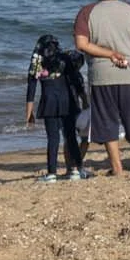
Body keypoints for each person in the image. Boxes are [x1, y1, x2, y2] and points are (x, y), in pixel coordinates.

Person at [74, 0, 130, 176]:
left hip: (102, 74)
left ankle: (117, 168)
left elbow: (81, 44)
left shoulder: (87, 12)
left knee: (107, 121)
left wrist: (108, 53)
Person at [22, 34, 88, 181]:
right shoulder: (64, 59)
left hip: (49, 103)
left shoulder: (37, 62)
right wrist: (84, 100)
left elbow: (31, 89)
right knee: (70, 137)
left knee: (53, 139)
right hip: (67, 102)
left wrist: (29, 113)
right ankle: (77, 170)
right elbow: (76, 81)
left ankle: (52, 173)